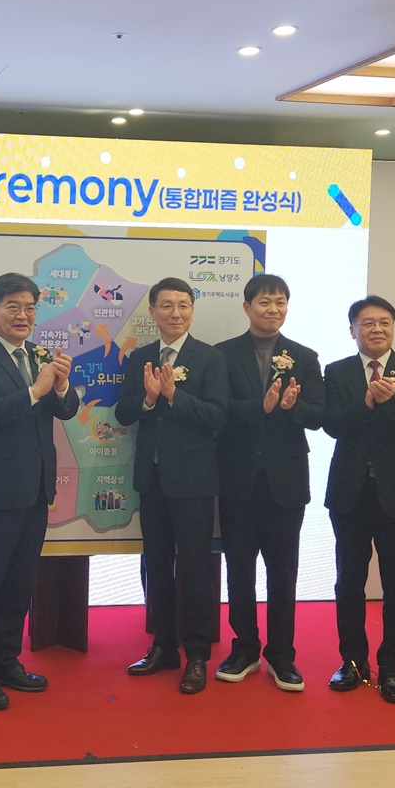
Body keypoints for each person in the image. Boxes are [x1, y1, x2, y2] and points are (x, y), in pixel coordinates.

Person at [0, 272, 80, 710]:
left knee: (18, 583)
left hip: (35, 488)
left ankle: (7, 660)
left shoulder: (37, 354)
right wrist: (35, 391)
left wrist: (60, 386)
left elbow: (65, 410)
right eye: (13, 307)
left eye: (30, 308)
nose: (23, 315)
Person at [113, 278, 228, 694]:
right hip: (152, 478)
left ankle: (196, 654)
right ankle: (162, 646)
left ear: (192, 311)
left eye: (183, 305)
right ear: (153, 312)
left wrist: (174, 395)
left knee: (195, 568)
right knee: (156, 564)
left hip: (194, 480)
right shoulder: (140, 358)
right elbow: (124, 413)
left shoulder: (210, 358)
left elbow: (217, 416)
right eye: (166, 305)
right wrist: (147, 399)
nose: (175, 313)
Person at [213, 274, 325, 690]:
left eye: (280, 302)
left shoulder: (305, 356)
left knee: (283, 572)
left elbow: (319, 415)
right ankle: (244, 648)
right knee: (239, 570)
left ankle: (281, 655)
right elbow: (219, 410)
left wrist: (293, 408)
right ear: (247, 307)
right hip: (238, 478)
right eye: (264, 302)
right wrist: (258, 408)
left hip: (285, 482)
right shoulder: (223, 354)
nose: (273, 309)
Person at [321, 296, 395, 704]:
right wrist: (366, 403)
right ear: (352, 330)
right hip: (350, 493)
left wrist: (392, 401)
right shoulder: (337, 371)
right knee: (348, 582)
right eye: (367, 323)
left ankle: (391, 666)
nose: (377, 329)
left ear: (393, 328)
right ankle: (352, 662)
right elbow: (331, 425)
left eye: (384, 322)